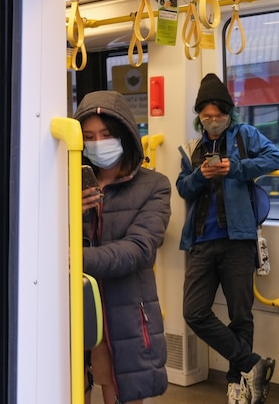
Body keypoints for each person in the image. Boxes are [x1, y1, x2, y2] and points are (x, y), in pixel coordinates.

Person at [177, 73, 279, 404]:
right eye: (206, 117)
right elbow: (183, 188)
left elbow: (276, 159)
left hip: (238, 240)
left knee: (241, 314)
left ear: (229, 114)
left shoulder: (245, 135)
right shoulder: (193, 146)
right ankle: (252, 364)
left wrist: (234, 168)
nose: (212, 122)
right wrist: (201, 174)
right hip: (200, 241)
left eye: (218, 116)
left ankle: (239, 385)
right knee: (194, 312)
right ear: (199, 116)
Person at [74, 90, 171, 404]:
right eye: (89, 136)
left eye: (106, 134)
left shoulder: (155, 186)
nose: (98, 143)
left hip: (128, 313)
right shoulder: (67, 183)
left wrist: (76, 259)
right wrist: (69, 212)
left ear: (125, 135)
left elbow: (139, 249)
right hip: (78, 309)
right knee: (74, 388)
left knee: (122, 393)